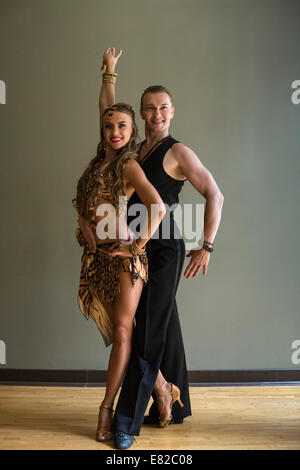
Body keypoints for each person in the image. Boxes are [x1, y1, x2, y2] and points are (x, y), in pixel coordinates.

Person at [82, 48, 224, 450]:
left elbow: (215, 194)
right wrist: (108, 74)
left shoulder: (179, 152)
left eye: (163, 107)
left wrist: (206, 245)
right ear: (141, 114)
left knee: (146, 334)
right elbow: (108, 114)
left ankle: (126, 422)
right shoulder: (130, 149)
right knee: (160, 326)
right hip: (130, 249)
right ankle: (171, 397)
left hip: (161, 250)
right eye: (149, 108)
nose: (156, 114)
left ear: (172, 111)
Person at [72, 48, 166, 443]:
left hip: (125, 261)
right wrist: (108, 74)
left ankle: (107, 408)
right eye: (109, 126)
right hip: (96, 260)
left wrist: (138, 244)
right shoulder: (97, 161)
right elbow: (82, 206)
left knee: (124, 333)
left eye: (123, 127)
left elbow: (157, 206)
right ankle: (162, 387)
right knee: (116, 333)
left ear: (132, 132)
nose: (114, 131)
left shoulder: (129, 164)